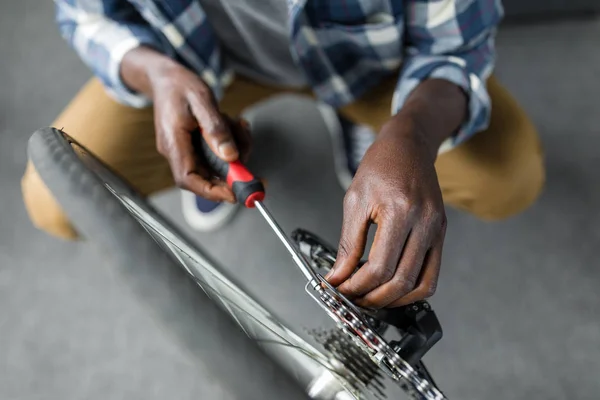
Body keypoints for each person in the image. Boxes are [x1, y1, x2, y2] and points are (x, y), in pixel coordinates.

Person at [22, 0, 544, 309]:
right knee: (58, 195)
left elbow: (453, 46)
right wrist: (157, 76)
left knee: (507, 179)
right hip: (200, 67)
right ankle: (210, 138)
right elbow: (84, 13)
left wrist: (410, 134)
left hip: (373, 69)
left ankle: (359, 116)